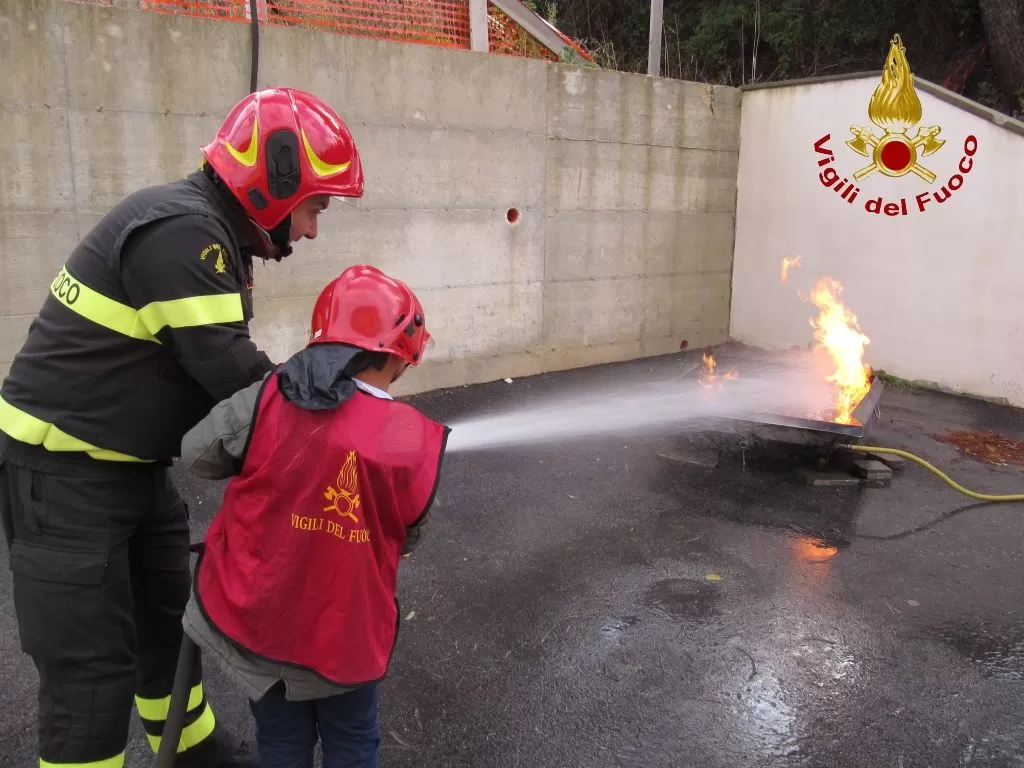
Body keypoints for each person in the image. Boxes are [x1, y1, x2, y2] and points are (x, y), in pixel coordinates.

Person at [0, 87, 364, 768]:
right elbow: (236, 384)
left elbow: (229, 383)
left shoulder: (204, 232)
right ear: (275, 180)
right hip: (65, 480)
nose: (314, 229)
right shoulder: (182, 233)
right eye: (316, 207)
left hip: (129, 470)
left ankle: (193, 755)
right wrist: (354, 433)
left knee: (168, 631)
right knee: (89, 678)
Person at [177, 264, 450, 768]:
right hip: (344, 637)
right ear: (403, 352)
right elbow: (409, 535)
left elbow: (197, 453)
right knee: (352, 741)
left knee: (280, 744)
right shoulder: (406, 433)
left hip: (260, 623)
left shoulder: (269, 396)